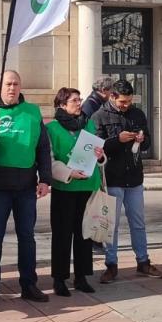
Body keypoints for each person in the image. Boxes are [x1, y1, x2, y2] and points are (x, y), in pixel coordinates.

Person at [0, 70, 52, 307]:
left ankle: (29, 284)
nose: (12, 88)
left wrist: (45, 179)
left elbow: (43, 148)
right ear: (0, 86)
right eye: (8, 84)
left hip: (26, 186)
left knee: (27, 237)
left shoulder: (33, 112)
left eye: (16, 84)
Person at [91, 79, 162, 282]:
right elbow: (97, 147)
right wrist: (118, 140)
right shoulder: (99, 116)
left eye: (129, 101)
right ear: (112, 97)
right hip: (112, 178)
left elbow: (148, 142)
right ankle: (111, 264)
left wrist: (142, 139)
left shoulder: (137, 114)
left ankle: (143, 261)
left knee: (138, 223)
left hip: (134, 177)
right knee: (111, 224)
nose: (126, 105)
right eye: (123, 102)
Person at [46, 88, 105, 296]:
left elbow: (98, 155)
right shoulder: (51, 128)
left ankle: (81, 277)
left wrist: (100, 155)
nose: (79, 103)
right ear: (62, 105)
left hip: (88, 186)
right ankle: (59, 279)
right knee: (62, 235)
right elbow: (49, 159)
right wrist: (69, 172)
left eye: (80, 99)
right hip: (65, 187)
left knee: (84, 234)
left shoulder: (88, 124)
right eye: (74, 100)